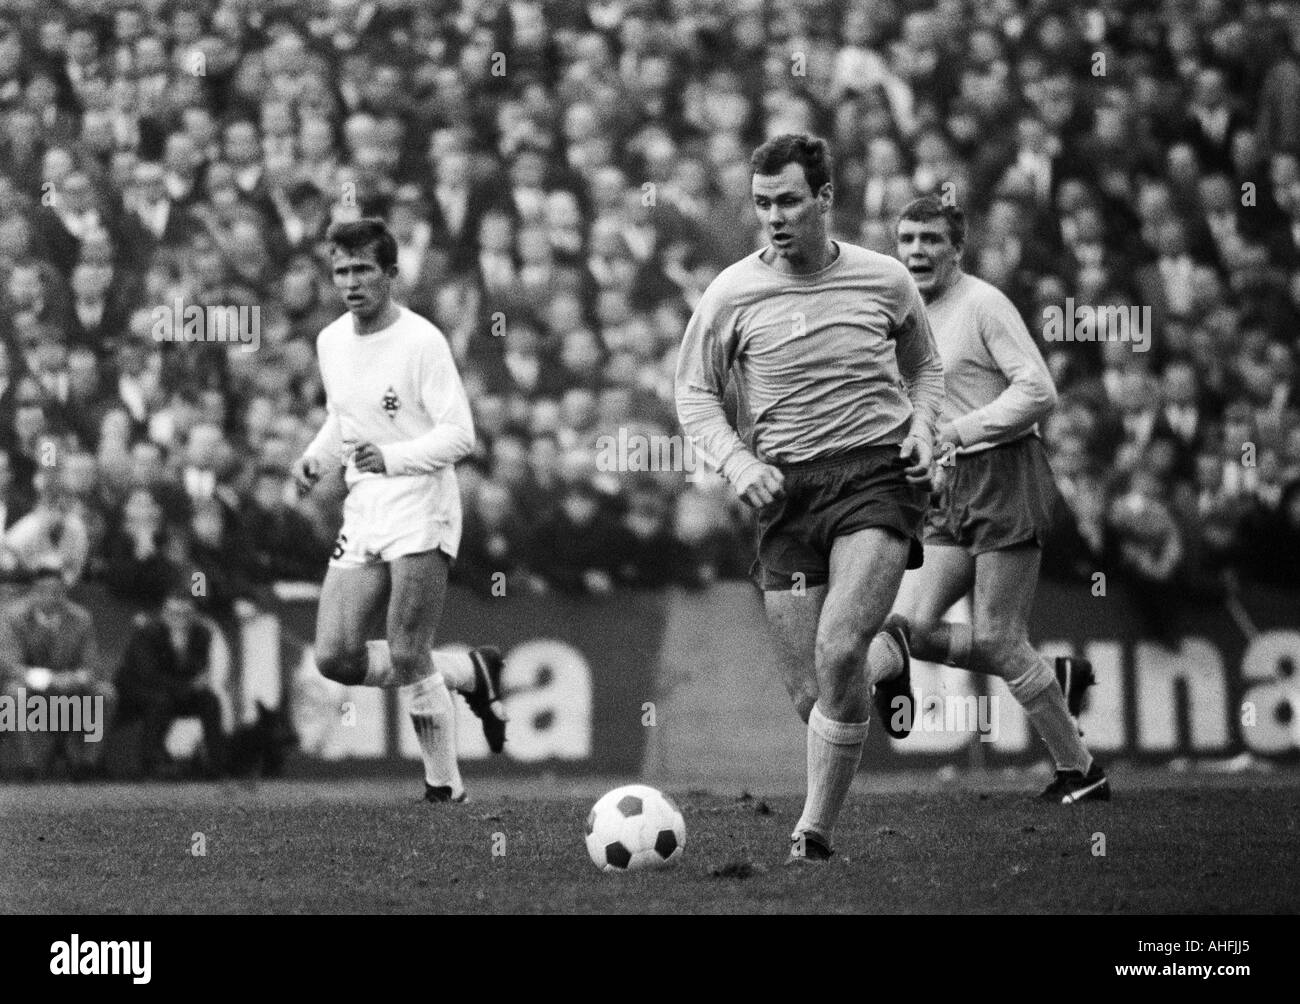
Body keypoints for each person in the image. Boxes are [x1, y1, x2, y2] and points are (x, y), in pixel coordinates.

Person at [675, 134, 945, 863]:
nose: (774, 216)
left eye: (789, 200)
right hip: (787, 493)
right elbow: (693, 393)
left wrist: (922, 428)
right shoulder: (732, 292)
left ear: (825, 199)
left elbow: (924, 367)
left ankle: (813, 834)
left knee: (836, 645)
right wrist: (736, 463)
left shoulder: (885, 280)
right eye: (763, 203)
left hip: (873, 478)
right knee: (813, 694)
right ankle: (892, 654)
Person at [874, 195, 1107, 804]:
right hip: (949, 487)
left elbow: (1039, 390)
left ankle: (1082, 772)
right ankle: (1053, 679)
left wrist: (959, 430)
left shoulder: (982, 304)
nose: (917, 251)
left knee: (1000, 637)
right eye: (907, 239)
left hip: (1004, 475)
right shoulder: (903, 314)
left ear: (958, 249)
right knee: (914, 631)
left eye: (930, 239)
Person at [292, 219, 507, 803]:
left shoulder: (422, 342)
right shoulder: (331, 341)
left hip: (420, 498)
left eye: (364, 269)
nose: (351, 281)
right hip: (365, 503)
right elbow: (345, 418)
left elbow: (461, 435)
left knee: (409, 648)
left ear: (390, 275)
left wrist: (392, 458)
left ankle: (445, 788)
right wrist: (315, 459)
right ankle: (467, 673)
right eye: (341, 270)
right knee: (334, 656)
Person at [0, 558, 113, 779]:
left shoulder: (81, 618)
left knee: (105, 694)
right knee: (13, 693)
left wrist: (73, 679)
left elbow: (91, 665)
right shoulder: (12, 617)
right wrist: (49, 680)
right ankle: (28, 767)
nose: (50, 596)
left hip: (70, 688)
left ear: (65, 592)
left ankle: (87, 765)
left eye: (56, 591)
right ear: (33, 591)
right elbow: (9, 664)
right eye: (43, 590)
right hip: (31, 688)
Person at [114, 586, 225, 777]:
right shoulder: (147, 633)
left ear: (194, 614)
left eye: (185, 613)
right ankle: (152, 762)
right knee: (160, 700)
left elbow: (199, 670)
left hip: (177, 690)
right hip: (137, 689)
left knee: (210, 701)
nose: (179, 618)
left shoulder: (202, 634)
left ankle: (217, 764)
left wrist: (191, 685)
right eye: (174, 613)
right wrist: (187, 686)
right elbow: (148, 675)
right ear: (164, 613)